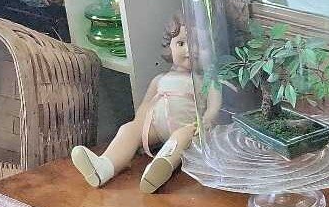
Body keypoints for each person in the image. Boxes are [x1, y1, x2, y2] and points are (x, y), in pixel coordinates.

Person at [70, 15, 221, 193]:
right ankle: (104, 166)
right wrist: (138, 125)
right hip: (156, 128)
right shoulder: (160, 79)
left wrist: (207, 121)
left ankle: (158, 168)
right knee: (128, 130)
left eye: (199, 45)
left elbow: (214, 107)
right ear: (169, 47)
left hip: (189, 129)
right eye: (181, 43)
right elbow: (145, 106)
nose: (189, 50)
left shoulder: (208, 82)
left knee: (181, 138)